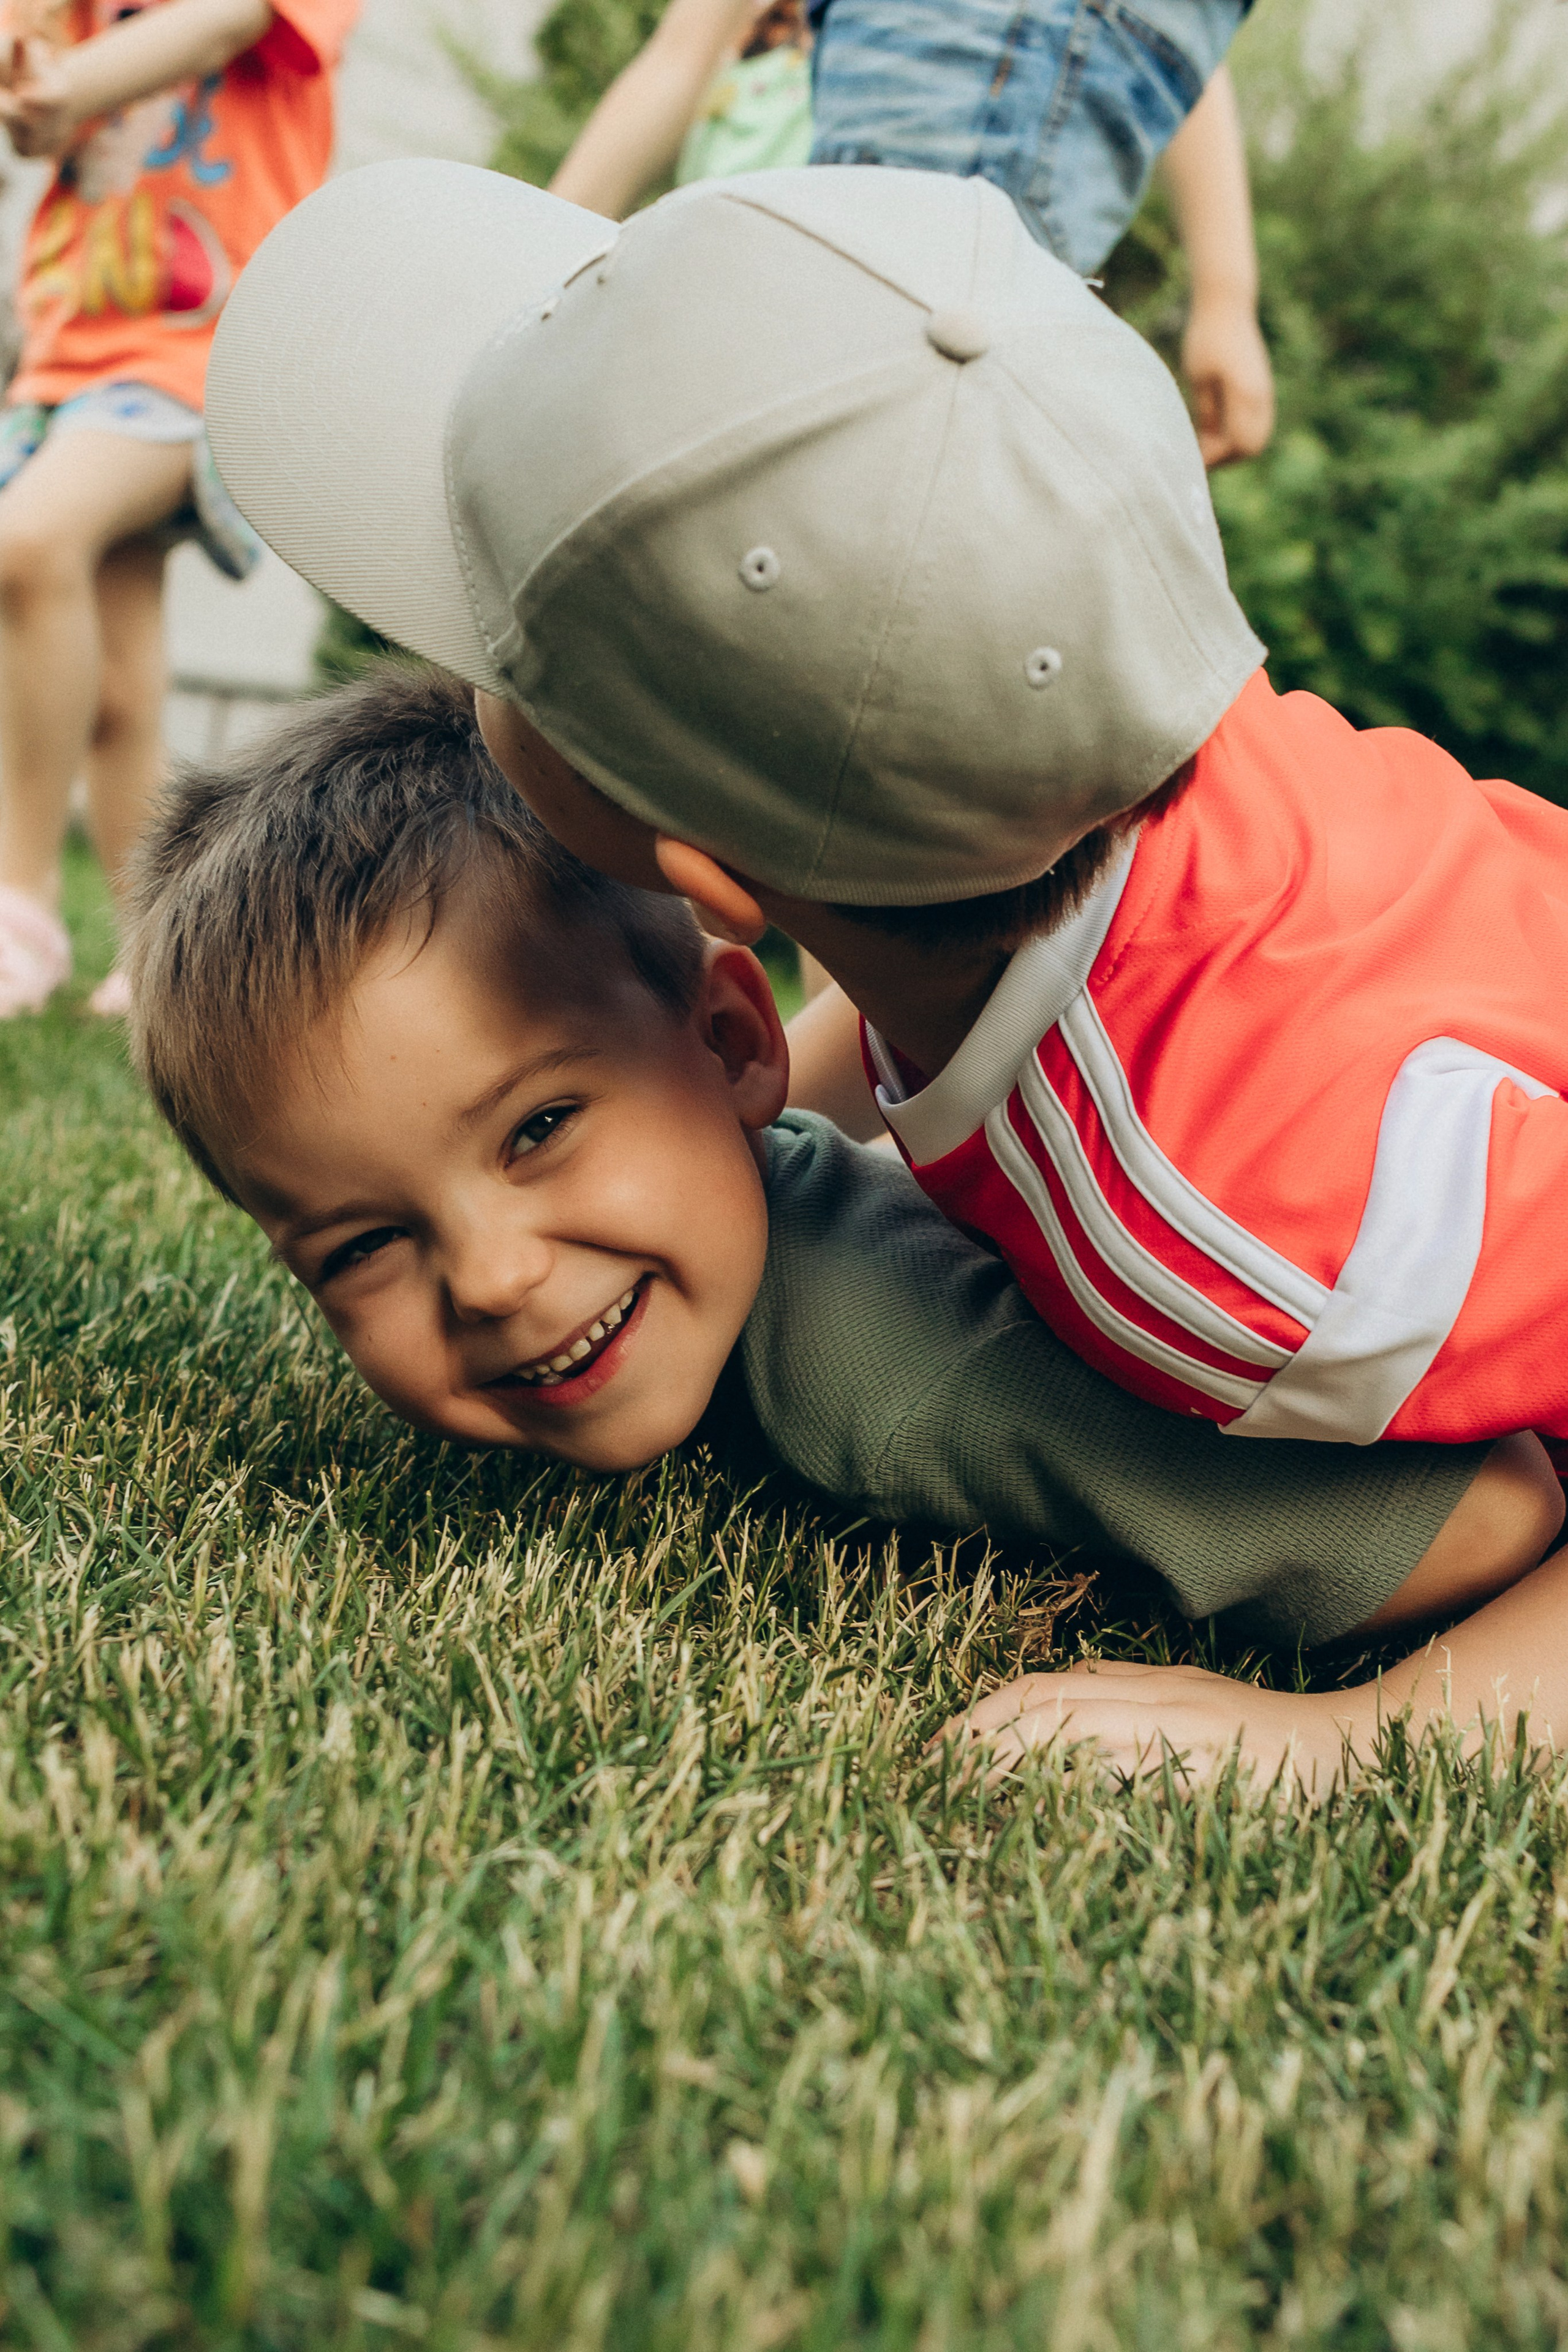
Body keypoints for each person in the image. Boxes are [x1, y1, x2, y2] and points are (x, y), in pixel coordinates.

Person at [197, 159, 1568, 1778]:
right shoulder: (1100, 761)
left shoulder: (1224, 1248)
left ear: (711, 872)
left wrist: (1348, 1740)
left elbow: (1494, 1514)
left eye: (504, 642)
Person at [124, 662, 1562, 1704]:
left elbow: (1485, 1516)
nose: (491, 1277)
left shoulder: (905, 1379)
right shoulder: (748, 1131)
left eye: (538, 1126)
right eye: (365, 1242)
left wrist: (1334, 1739)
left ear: (732, 1039)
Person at [0, 0, 358, 1019]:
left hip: (197, 345)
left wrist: (66, 82)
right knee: (112, 686)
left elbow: (231, 19)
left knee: (29, 539)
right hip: (72, 341)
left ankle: (17, 900)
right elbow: (36, 109)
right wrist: (31, 86)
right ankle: (156, 954)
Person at [549, 0, 1272, 472]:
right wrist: (538, 245)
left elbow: (1148, 50)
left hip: (922, 225)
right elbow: (676, 59)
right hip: (775, 288)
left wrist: (1225, 292)